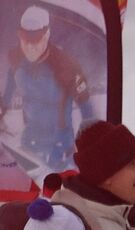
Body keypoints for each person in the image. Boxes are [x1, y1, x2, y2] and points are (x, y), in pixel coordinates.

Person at [0, 6, 93, 171]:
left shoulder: (66, 66)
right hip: (29, 140)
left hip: (60, 144)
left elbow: (87, 108)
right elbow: (8, 92)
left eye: (35, 39)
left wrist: (88, 145)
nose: (29, 47)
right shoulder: (16, 60)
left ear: (47, 35)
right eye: (25, 39)